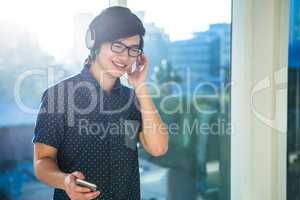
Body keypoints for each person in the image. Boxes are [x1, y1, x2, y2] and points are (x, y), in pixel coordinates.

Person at [32, 6, 168, 200]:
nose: (125, 57)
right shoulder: (58, 96)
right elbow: (42, 162)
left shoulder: (133, 99)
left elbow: (158, 148)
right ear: (94, 43)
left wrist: (141, 86)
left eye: (133, 50)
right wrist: (64, 181)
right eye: (117, 46)